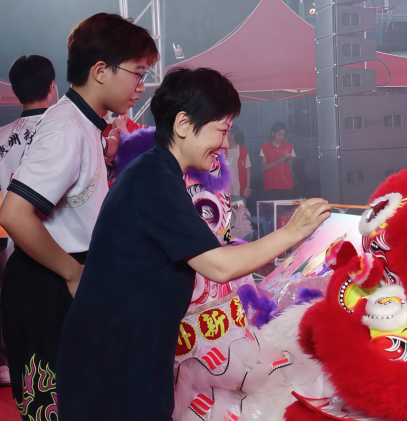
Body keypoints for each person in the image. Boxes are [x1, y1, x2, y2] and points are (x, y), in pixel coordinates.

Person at [55, 67, 330, 421]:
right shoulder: (153, 180)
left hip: (130, 354)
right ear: (184, 124)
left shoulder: (158, 173)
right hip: (113, 363)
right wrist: (292, 232)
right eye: (222, 130)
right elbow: (219, 265)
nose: (226, 144)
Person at [0, 13, 158, 419]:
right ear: (101, 71)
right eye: (138, 73)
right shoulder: (65, 127)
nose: (141, 86)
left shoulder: (87, 123)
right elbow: (15, 214)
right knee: (56, 406)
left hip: (68, 274)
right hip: (49, 280)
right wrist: (73, 274)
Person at [0, 55, 56, 388]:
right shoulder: (63, 128)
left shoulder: (1, 136)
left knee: (27, 336)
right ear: (52, 87)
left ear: (16, 91)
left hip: (16, 249)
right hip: (61, 249)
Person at [260, 122, 295, 200]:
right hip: (272, 185)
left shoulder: (289, 147)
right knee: (273, 206)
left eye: (283, 135)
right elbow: (264, 167)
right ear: (273, 133)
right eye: (279, 134)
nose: (281, 137)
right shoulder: (265, 148)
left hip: (286, 185)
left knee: (287, 207)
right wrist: (278, 161)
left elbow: (290, 168)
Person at [226, 127, 251, 204]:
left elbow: (247, 170)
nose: (224, 134)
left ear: (233, 135)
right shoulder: (221, 151)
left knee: (240, 211)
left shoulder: (243, 151)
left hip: (239, 192)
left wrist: (247, 186)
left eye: (227, 132)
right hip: (225, 192)